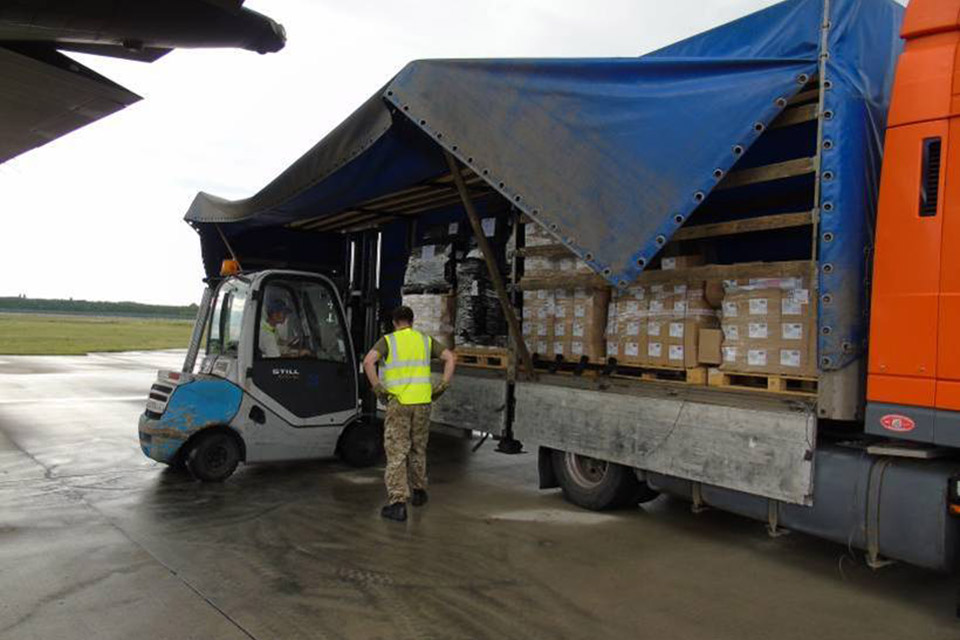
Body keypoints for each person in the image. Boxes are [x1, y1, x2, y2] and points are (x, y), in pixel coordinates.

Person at [362, 305, 455, 522]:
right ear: (412, 322)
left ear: (395, 323)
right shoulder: (425, 340)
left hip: (399, 402)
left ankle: (398, 503)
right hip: (423, 402)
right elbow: (451, 358)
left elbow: (368, 362)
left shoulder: (388, 341)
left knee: (397, 451)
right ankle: (420, 492)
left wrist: (378, 388)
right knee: (418, 448)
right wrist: (442, 385)